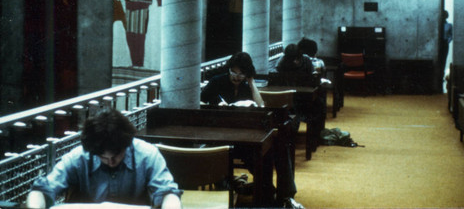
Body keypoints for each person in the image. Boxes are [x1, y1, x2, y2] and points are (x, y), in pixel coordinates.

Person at [201, 52, 304, 209]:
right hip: (222, 138)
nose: (236, 77)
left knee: (278, 147)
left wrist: (251, 82)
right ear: (228, 70)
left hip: (247, 139)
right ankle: (267, 191)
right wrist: (216, 106)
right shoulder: (217, 82)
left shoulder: (247, 85)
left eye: (241, 73)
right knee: (264, 155)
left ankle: (285, 195)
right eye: (233, 72)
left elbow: (261, 106)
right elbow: (201, 101)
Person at [25, 108, 182, 209]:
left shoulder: (148, 155)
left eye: (116, 156)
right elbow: (42, 189)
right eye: (103, 157)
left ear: (127, 145)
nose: (111, 162)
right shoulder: (79, 156)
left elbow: (167, 192)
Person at [439, 10, 453, 85]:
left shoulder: (449, 25)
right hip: (440, 43)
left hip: (444, 43)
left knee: (443, 59)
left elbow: (451, 35)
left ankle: (441, 76)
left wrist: (448, 41)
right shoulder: (439, 25)